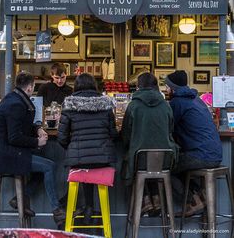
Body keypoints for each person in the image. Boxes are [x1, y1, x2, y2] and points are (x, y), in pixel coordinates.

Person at [0, 71, 65, 228]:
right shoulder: (16, 104)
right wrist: (36, 142)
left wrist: (37, 128)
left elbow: (21, 126)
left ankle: (22, 197)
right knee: (49, 166)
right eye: (33, 87)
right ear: (29, 88)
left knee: (45, 165)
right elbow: (14, 137)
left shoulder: (14, 99)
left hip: (11, 152)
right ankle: (58, 212)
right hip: (7, 155)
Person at [57, 73, 117, 224]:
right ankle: (89, 206)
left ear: (76, 86)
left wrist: (74, 148)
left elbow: (62, 137)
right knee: (91, 164)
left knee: (84, 163)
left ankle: (88, 206)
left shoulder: (69, 104)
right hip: (103, 159)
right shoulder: (106, 104)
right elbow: (113, 134)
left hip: (78, 160)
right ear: (94, 86)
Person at [165, 70, 222, 216]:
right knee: (181, 164)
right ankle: (200, 196)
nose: (165, 89)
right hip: (214, 153)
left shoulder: (177, 102)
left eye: (167, 86)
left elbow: (168, 127)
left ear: (173, 88)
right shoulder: (196, 99)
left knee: (166, 167)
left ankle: (194, 200)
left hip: (201, 155)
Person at [121, 72, 179, 216]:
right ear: (156, 86)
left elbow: (125, 136)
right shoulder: (166, 105)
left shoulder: (133, 106)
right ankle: (156, 198)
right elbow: (171, 130)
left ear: (138, 87)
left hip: (139, 161)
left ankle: (144, 201)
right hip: (165, 160)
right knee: (153, 161)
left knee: (132, 163)